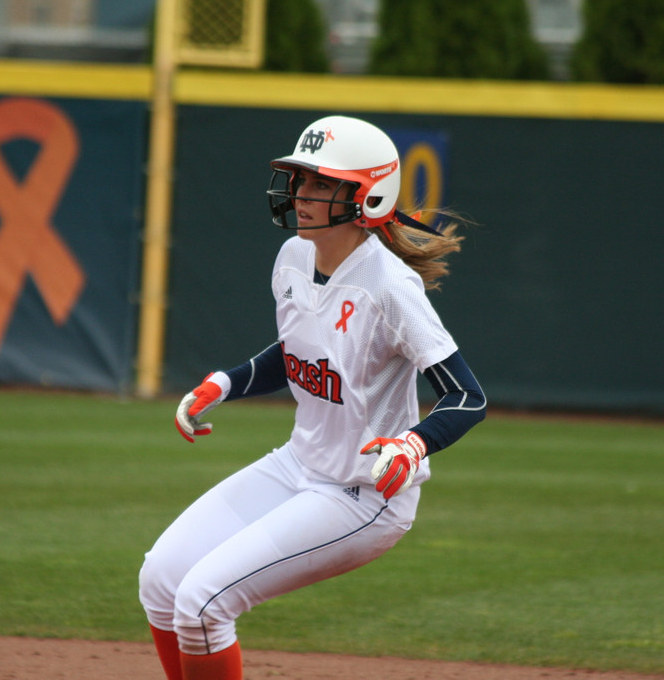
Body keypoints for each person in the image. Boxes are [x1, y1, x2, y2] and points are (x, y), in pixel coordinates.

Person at [138, 115, 487, 680]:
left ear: (368, 196)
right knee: (161, 579)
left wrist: (411, 446)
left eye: (322, 184)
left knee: (203, 602)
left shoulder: (391, 287)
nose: (301, 194)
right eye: (301, 179)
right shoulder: (294, 259)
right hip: (298, 465)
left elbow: (467, 398)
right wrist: (224, 383)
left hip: (363, 494)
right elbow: (301, 352)